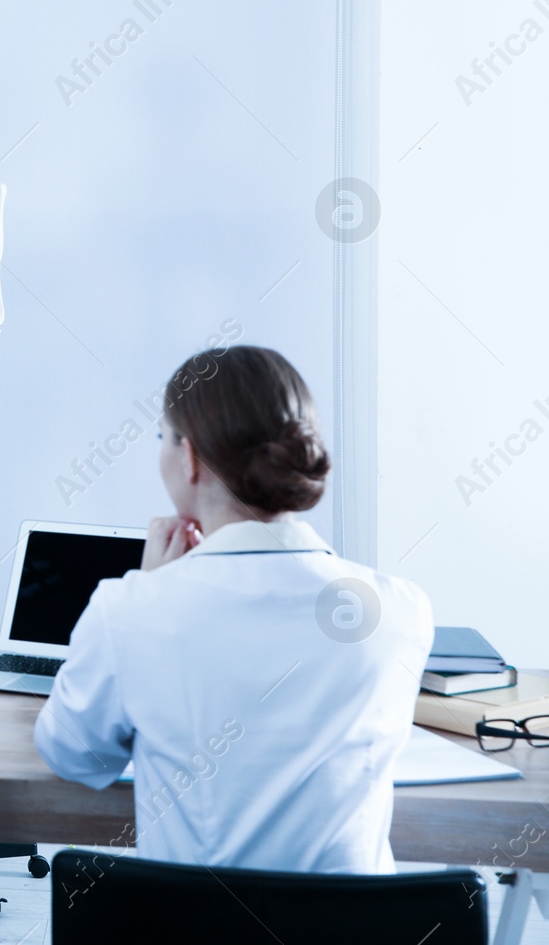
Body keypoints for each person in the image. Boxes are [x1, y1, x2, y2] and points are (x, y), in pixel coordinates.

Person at [35, 345, 434, 873]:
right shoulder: (400, 610)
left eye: (162, 438)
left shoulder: (131, 610)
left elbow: (74, 757)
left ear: (189, 456)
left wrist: (151, 590)